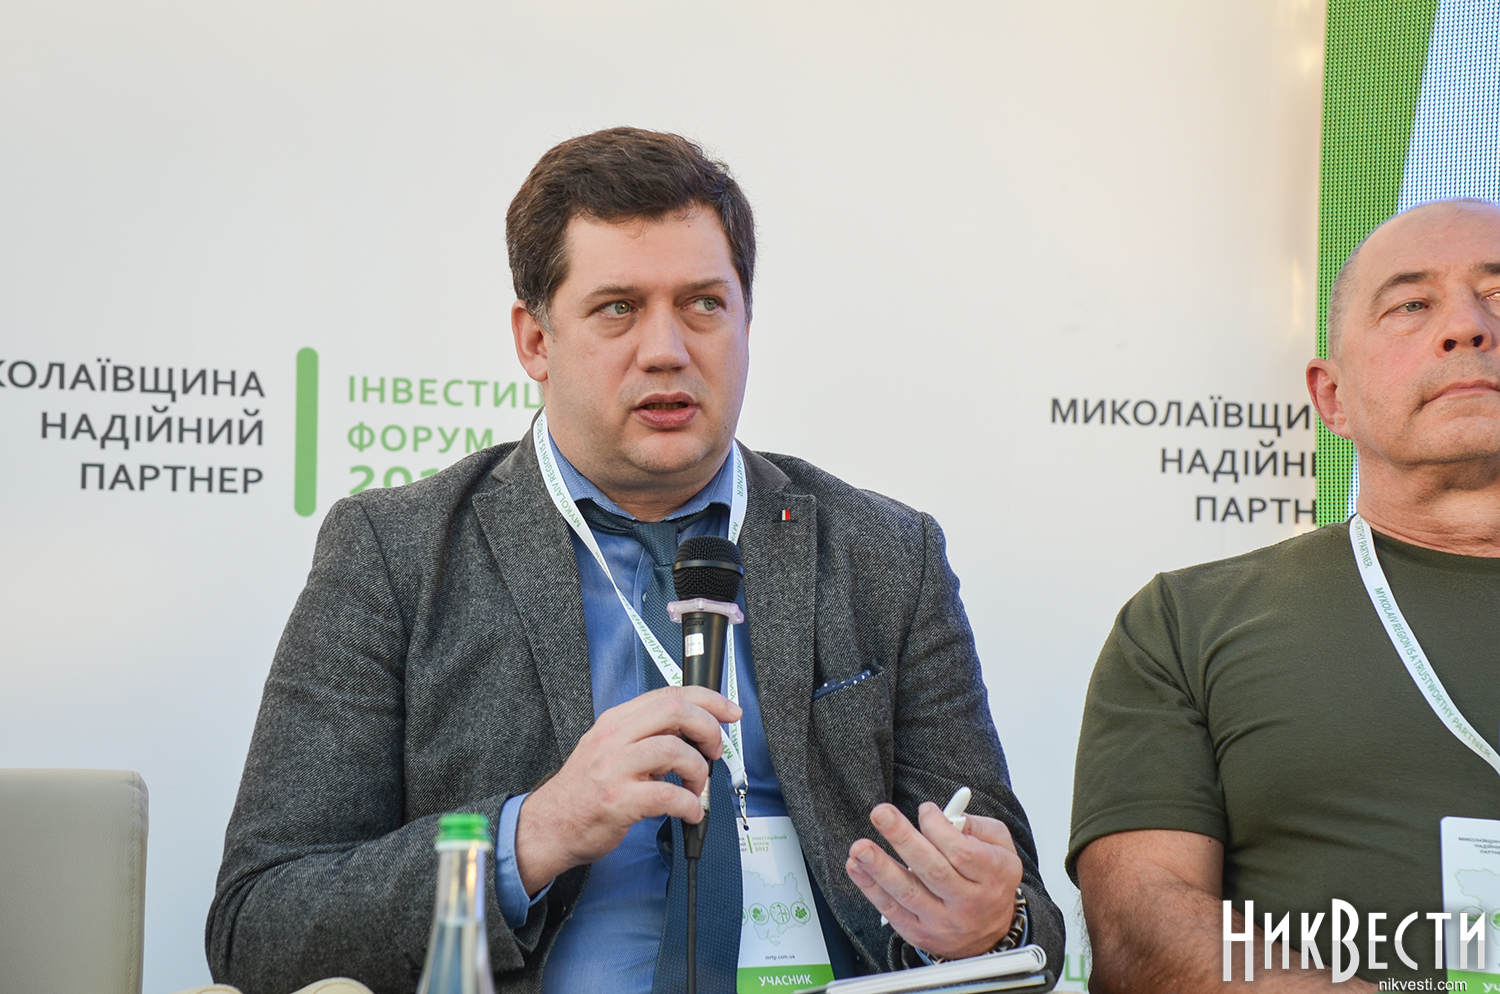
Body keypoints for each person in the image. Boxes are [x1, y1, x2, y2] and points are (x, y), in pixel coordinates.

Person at [208, 127, 1062, 994]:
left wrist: (987, 923)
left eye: (703, 305)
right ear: (535, 341)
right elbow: (259, 923)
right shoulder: (397, 555)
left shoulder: (884, 555)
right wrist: (532, 834)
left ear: (747, 323)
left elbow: (1028, 918)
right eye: (618, 307)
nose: (666, 349)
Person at [1068, 197, 1500, 992]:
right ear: (1331, 397)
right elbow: (1139, 931)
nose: (1468, 327)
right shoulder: (1184, 624)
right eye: (1412, 305)